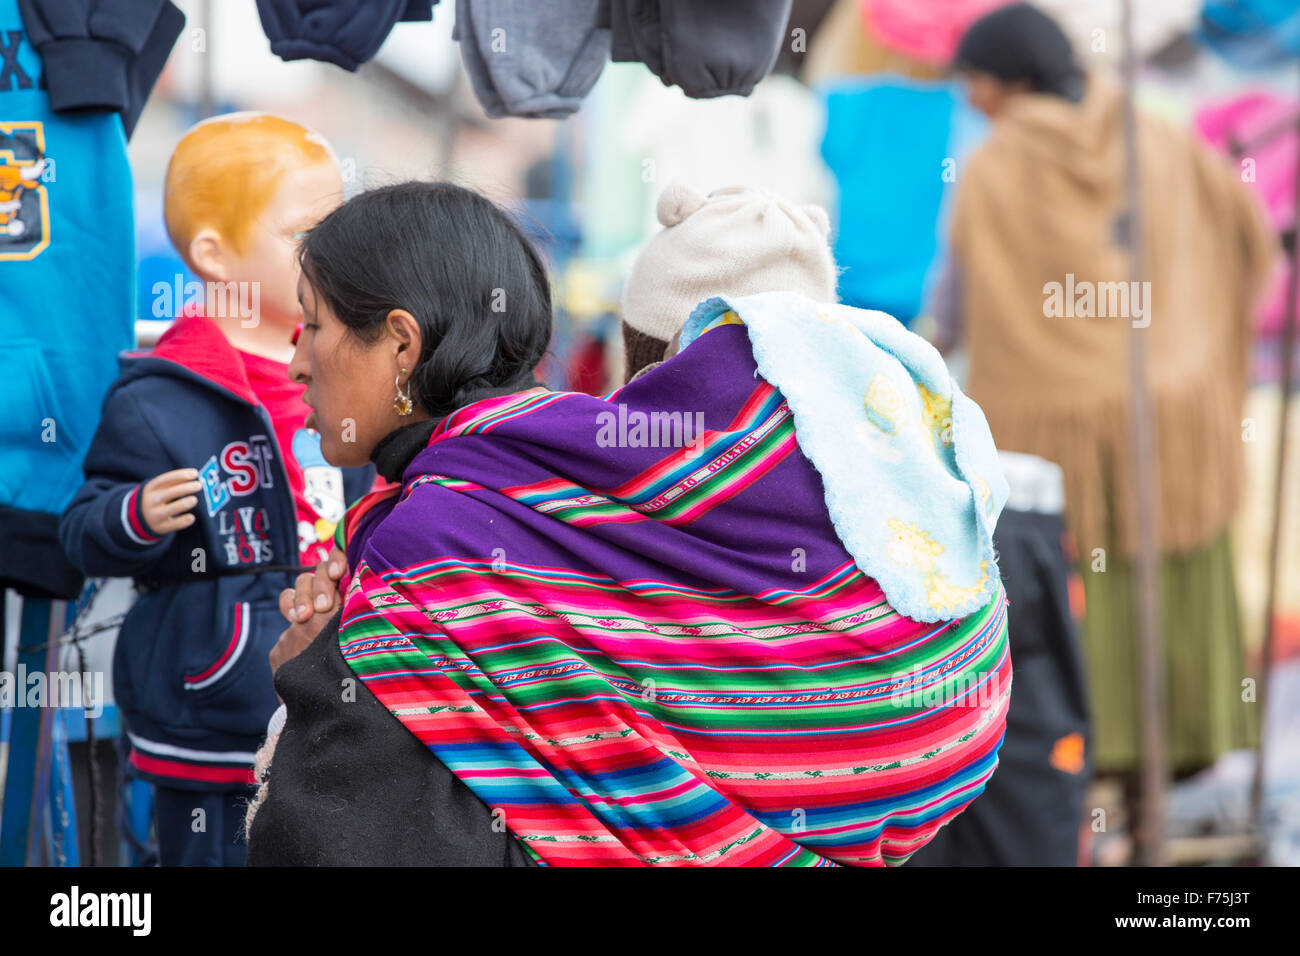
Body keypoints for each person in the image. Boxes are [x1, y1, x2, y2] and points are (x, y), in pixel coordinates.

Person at [246, 180, 1013, 866]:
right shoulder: (578, 486)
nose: (296, 364)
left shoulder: (432, 549)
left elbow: (337, 838)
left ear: (402, 345)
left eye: (313, 327)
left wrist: (317, 670)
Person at [934, 3, 1277, 798]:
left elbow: (951, 307)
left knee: (1071, 614)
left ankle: (1086, 804)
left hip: (1053, 453)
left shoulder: (994, 169)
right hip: (1173, 436)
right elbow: (1248, 243)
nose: (968, 98)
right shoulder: (1159, 136)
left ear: (1008, 82)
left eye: (974, 81)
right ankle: (1149, 802)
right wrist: (1192, 346)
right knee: (1163, 600)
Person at [59, 112, 367, 866]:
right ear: (213, 254)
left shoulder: (350, 367)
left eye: (340, 226)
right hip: (207, 713)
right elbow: (82, 526)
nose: (332, 251)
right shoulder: (162, 394)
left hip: (334, 700)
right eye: (307, 231)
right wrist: (136, 514)